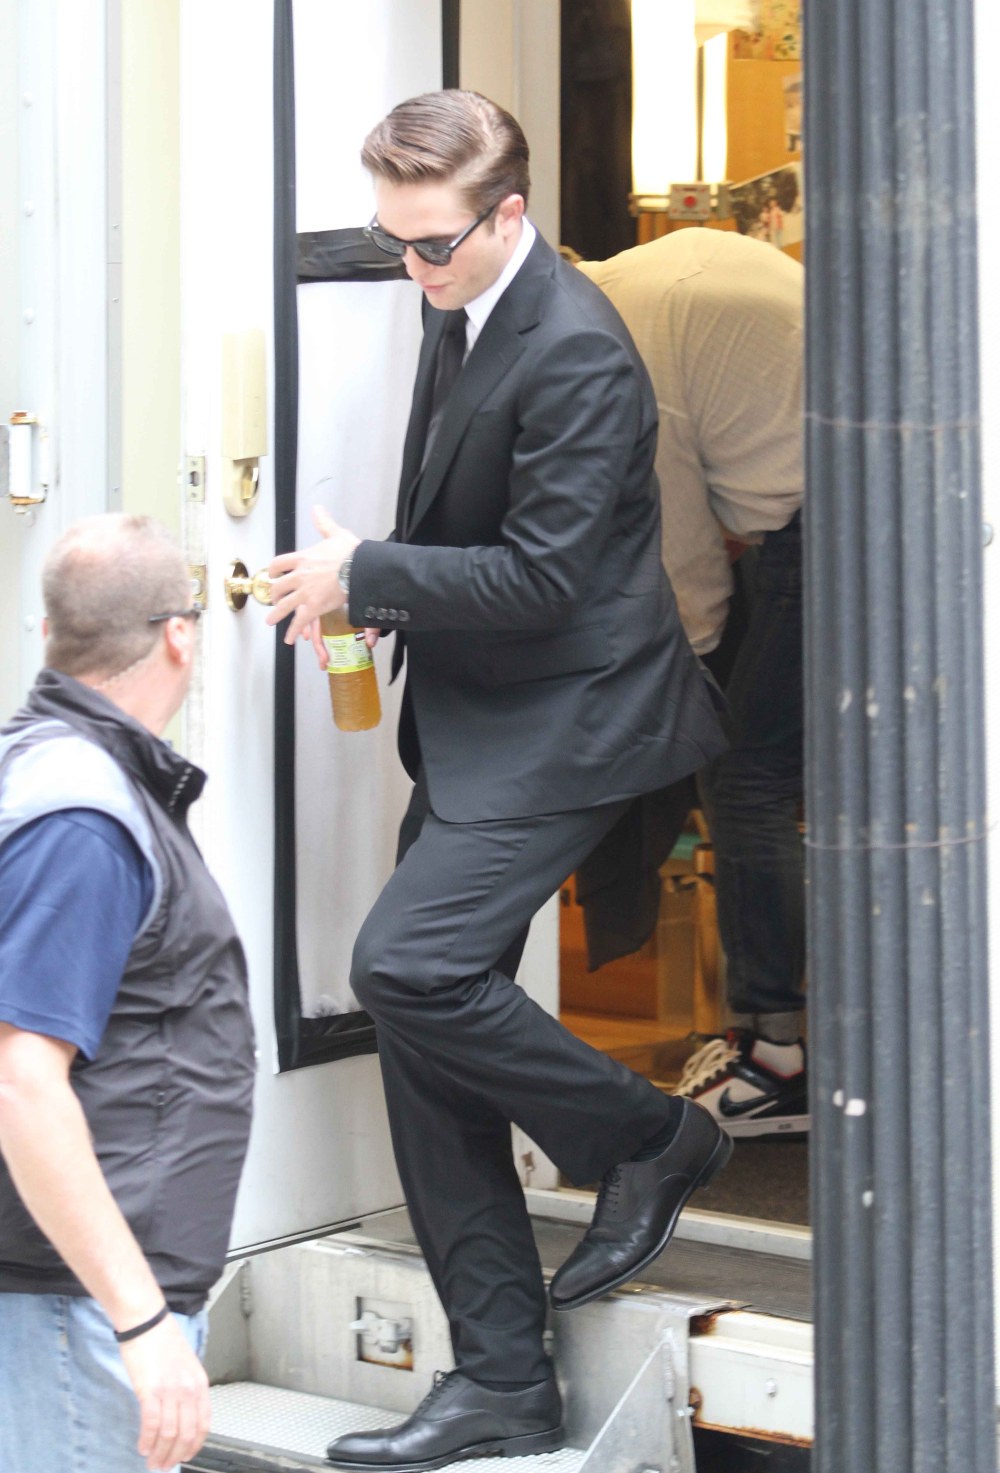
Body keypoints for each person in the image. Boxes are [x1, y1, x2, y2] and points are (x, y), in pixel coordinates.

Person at [266, 90, 731, 1471]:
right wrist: (372, 593)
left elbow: (545, 579)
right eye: (392, 241)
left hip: (576, 721)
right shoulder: (463, 289)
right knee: (425, 1043)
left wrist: (367, 574)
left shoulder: (578, 348)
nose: (412, 268)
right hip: (483, 723)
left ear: (509, 214)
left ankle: (653, 1137)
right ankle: (504, 1381)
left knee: (405, 965)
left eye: (432, 244)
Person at [0, 515, 256, 1473]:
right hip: (76, 1308)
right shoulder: (81, 812)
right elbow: (21, 1079)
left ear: (50, 634)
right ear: (179, 634)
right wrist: (140, 1320)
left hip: (71, 1296)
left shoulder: (55, 773)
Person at [576, 228, 807, 1136]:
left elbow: (689, 586)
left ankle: (775, 1059)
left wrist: (672, 713)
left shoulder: (618, 341)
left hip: (822, 528)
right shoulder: (656, 269)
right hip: (867, 504)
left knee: (742, 777)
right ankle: (799, 1041)